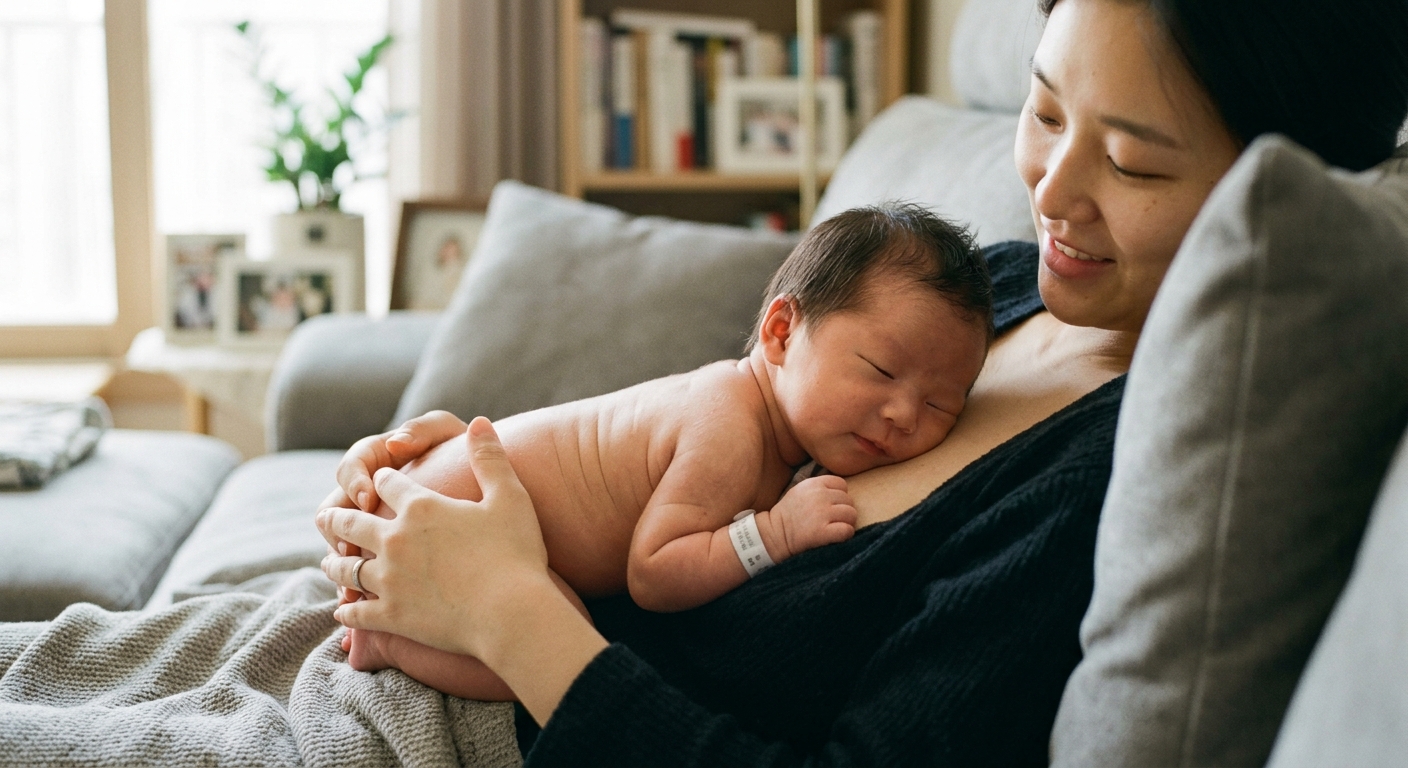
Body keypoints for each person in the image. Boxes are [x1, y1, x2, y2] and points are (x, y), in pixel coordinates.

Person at [318, 0, 1408, 764]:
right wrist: (470, 478)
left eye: (1130, 163)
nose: (1052, 191)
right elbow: (715, 424)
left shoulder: (1108, 488)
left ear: (1279, 194)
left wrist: (503, 605)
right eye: (1041, 112)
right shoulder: (1001, 291)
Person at [339, 204, 993, 700]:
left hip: (443, 508)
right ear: (782, 332)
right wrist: (774, 531)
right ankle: (390, 640)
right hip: (446, 524)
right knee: (562, 642)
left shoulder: (750, 414)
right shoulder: (731, 432)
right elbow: (653, 574)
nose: (905, 414)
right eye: (880, 371)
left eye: (943, 405)